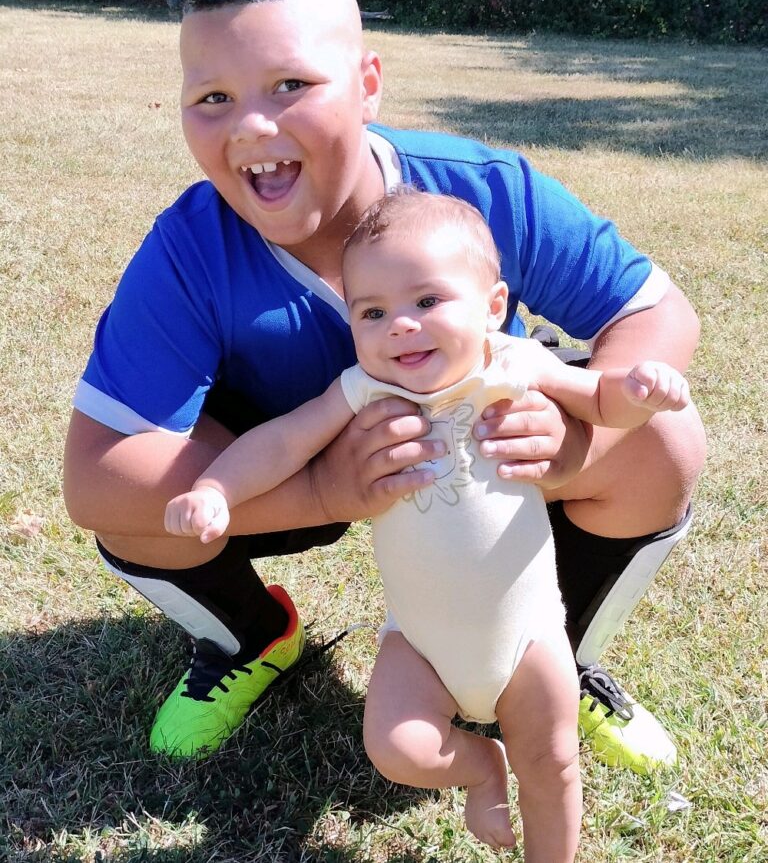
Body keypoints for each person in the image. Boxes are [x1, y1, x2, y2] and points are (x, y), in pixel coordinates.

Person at [62, 0, 706, 773]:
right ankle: (253, 636)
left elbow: (657, 311)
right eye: (213, 98)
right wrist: (326, 485)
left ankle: (558, 650)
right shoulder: (188, 249)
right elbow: (97, 475)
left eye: (290, 85)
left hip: (492, 474)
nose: (251, 127)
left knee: (664, 439)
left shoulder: (479, 188)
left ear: (368, 83)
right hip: (290, 469)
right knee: (146, 510)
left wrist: (572, 436)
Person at [163, 189, 691, 855]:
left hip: (528, 638)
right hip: (419, 643)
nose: (400, 326)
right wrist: (217, 487)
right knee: (396, 747)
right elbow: (284, 441)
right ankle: (479, 765)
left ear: (493, 306)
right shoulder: (364, 389)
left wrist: (639, 391)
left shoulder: (513, 364)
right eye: (373, 312)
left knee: (552, 765)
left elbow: (601, 400)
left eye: (427, 301)